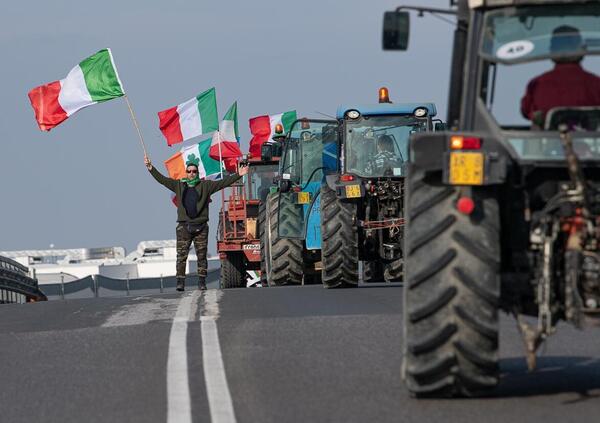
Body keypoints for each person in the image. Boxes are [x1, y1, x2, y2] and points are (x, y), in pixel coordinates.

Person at [144, 155, 248, 291]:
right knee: (181, 256)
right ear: (186, 173)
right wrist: (151, 168)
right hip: (184, 227)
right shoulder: (179, 185)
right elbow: (162, 180)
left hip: (201, 227)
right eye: (189, 171)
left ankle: (202, 282)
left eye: (194, 171)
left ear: (197, 173)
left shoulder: (206, 186)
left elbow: (223, 183)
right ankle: (180, 282)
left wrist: (238, 175)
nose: (191, 173)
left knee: (201, 256)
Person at [521, 25, 600, 126]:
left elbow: (526, 112)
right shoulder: (596, 84)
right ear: (583, 50)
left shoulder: (536, 84)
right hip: (586, 141)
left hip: (548, 141)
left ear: (551, 51)